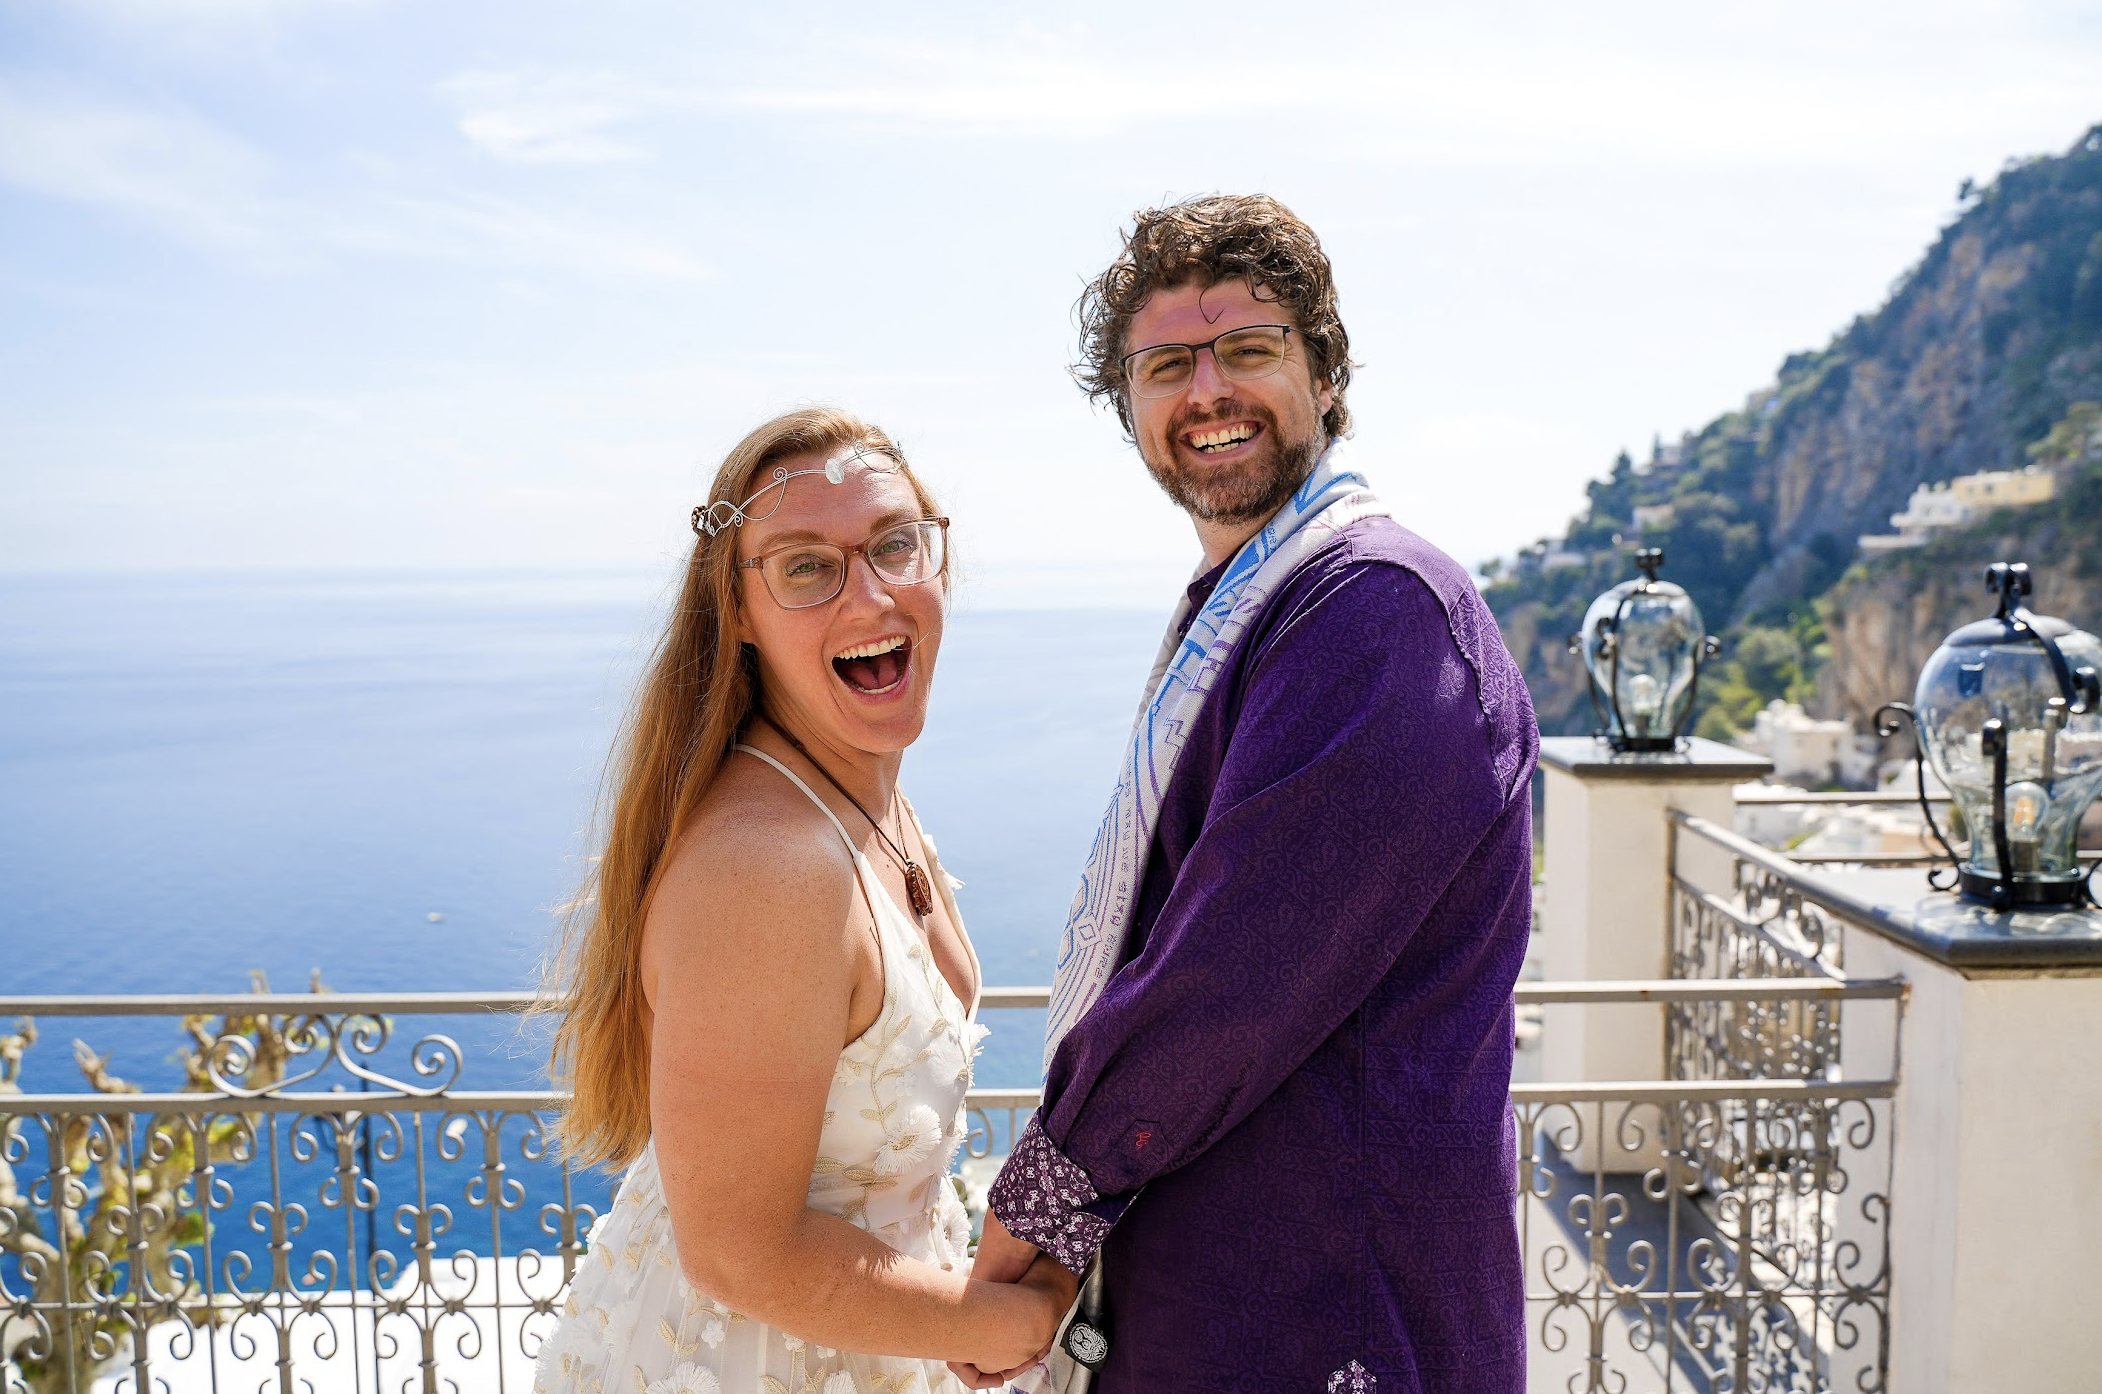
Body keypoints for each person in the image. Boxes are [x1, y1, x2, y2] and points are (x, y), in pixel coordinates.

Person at [962, 196, 1537, 1393]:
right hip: (1220, 1304)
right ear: (1129, 408)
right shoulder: (1251, 609)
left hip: (1333, 1315)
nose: (1207, 389)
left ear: (1325, 374)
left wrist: (1030, 1225)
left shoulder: (1378, 613)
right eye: (1167, 364)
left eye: (1250, 349)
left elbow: (1226, 977)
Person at [536, 407, 1076, 1394]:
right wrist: (1014, 1319)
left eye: (893, 544)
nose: (867, 593)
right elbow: (739, 1255)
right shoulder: (772, 867)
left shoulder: (858, 792)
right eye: (803, 566)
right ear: (735, 609)